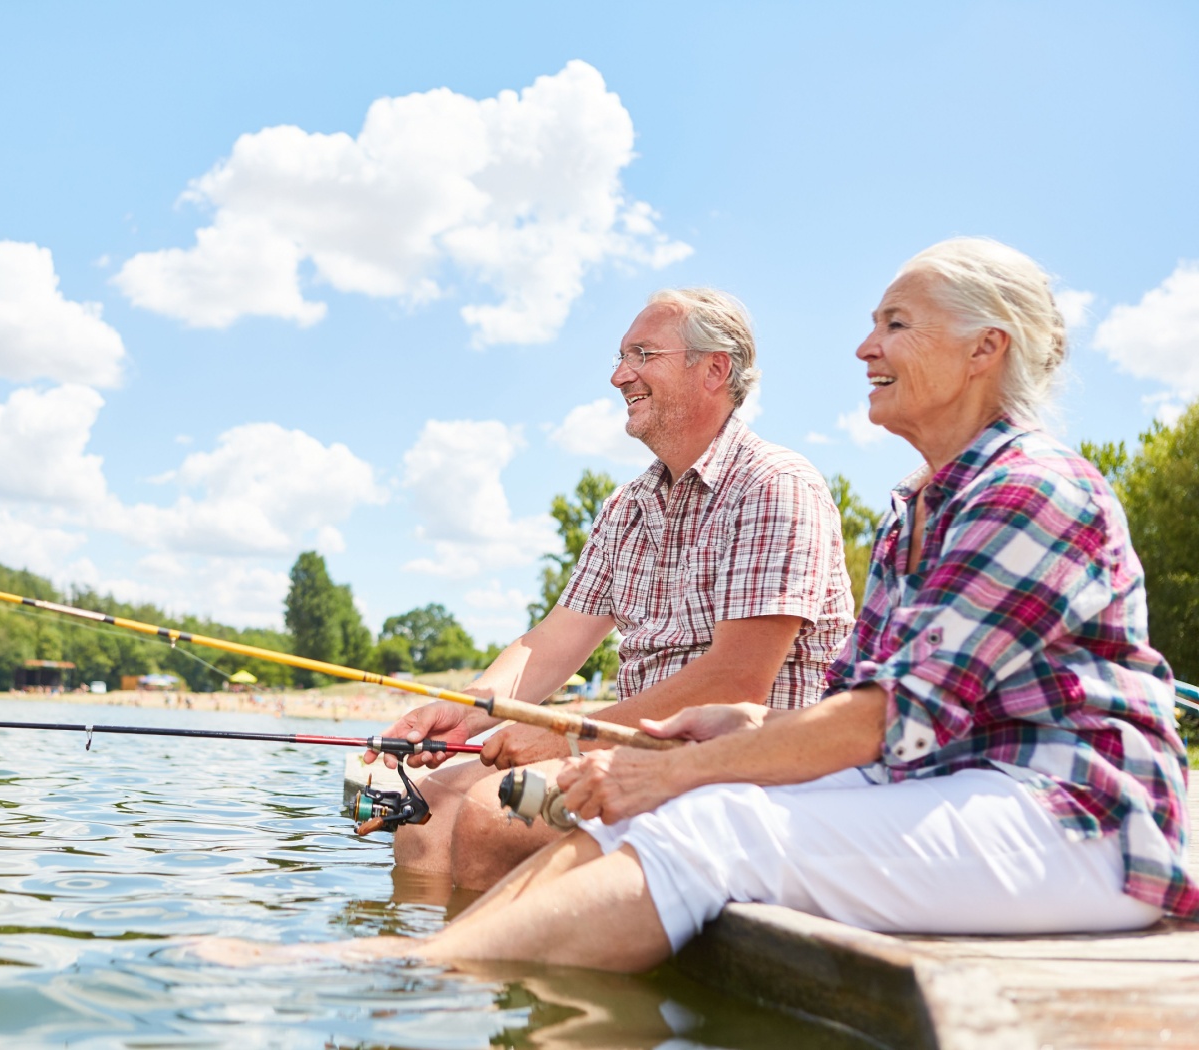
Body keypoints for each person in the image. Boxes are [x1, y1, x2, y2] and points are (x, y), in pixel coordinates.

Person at [332, 237, 1192, 972]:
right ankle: (426, 974)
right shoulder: (915, 509)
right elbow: (867, 710)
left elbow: (879, 717)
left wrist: (658, 762)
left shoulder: (1028, 489)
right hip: (944, 786)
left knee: (698, 821)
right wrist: (710, 736)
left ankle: (408, 976)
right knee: (454, 803)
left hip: (1083, 818)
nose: (864, 348)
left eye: (895, 324)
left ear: (984, 349)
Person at [370, 288, 856, 889]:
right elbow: (553, 640)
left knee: (495, 814)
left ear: (714, 369)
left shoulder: (777, 485)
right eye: (621, 356)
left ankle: (487, 966)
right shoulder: (627, 505)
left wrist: (564, 733)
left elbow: (738, 678)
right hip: (623, 749)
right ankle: (435, 976)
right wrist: (467, 712)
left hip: (741, 765)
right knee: (426, 809)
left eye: (642, 354)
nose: (618, 375)